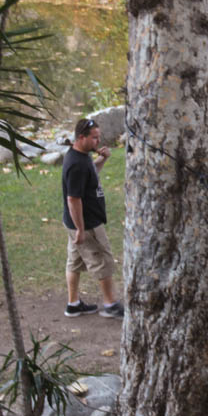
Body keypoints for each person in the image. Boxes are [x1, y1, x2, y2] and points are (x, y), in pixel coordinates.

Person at [62, 117, 124, 318]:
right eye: (95, 138)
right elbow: (73, 199)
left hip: (77, 223)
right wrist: (81, 229)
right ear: (81, 137)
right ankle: (111, 305)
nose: (98, 141)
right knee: (102, 261)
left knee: (74, 262)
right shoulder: (77, 164)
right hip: (86, 224)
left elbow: (90, 176)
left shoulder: (81, 156)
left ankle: (73, 304)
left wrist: (102, 159)